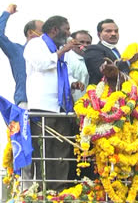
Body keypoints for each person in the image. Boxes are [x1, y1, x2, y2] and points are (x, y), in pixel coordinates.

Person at [24, 15, 83, 191]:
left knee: (63, 150)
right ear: (55, 30)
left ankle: (60, 190)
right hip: (42, 108)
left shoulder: (59, 50)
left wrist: (73, 82)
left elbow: (60, 73)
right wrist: (62, 51)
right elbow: (42, 64)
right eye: (67, 29)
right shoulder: (35, 44)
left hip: (61, 108)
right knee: (45, 150)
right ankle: (44, 190)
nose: (69, 33)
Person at [84, 18, 138, 85]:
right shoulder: (93, 49)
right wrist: (129, 61)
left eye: (116, 31)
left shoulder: (120, 54)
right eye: (108, 31)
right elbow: (102, 72)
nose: (113, 34)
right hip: (104, 96)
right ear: (99, 34)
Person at [0, 4, 43, 108]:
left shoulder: (51, 54)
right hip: (25, 101)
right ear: (30, 32)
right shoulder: (17, 51)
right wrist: (7, 13)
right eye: (43, 31)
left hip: (47, 102)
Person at [65, 30, 92, 102]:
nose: (85, 45)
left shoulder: (91, 59)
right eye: (81, 42)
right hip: (68, 102)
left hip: (85, 103)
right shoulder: (67, 56)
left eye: (88, 43)